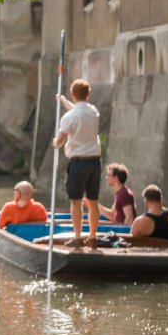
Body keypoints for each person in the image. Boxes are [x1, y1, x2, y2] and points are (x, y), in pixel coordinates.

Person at [52, 79, 102, 248]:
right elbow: (79, 113)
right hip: (95, 163)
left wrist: (54, 142)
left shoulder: (69, 117)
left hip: (78, 164)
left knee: (76, 201)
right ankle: (93, 237)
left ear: (73, 94)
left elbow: (59, 141)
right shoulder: (94, 112)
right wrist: (65, 101)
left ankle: (78, 236)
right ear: (88, 95)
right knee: (93, 201)